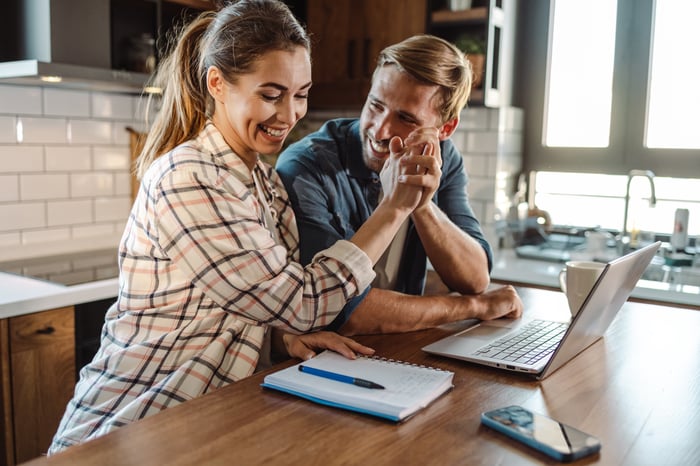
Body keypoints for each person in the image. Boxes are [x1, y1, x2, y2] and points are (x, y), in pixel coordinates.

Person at [49, 0, 426, 454]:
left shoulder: (261, 182)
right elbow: (303, 302)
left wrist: (282, 339)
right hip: (124, 430)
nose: (289, 115)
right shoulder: (189, 177)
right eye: (271, 94)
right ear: (217, 84)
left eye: (300, 94)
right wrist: (393, 208)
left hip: (197, 425)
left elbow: (233, 311)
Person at [276, 34, 523, 335]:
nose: (381, 130)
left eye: (406, 118)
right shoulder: (307, 166)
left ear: (445, 128)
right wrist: (474, 307)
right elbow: (337, 310)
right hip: (320, 358)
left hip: (399, 349)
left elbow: (474, 278)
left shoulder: (441, 158)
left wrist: (422, 204)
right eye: (375, 105)